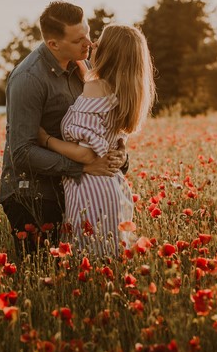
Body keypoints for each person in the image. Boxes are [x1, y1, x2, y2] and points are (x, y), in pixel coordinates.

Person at [0, 1, 127, 259]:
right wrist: (81, 167)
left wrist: (120, 156)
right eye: (79, 39)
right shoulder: (28, 79)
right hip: (33, 195)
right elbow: (22, 152)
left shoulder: (84, 68)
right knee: (42, 276)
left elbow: (99, 123)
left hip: (73, 188)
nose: (89, 44)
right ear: (54, 44)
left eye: (88, 34)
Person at [37, 24, 155, 258]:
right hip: (112, 187)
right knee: (109, 257)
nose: (93, 43)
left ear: (109, 52)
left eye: (100, 40)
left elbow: (86, 155)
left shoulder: (95, 87)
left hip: (89, 187)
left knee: (88, 256)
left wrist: (46, 139)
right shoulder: (123, 91)